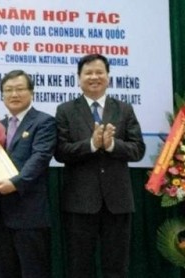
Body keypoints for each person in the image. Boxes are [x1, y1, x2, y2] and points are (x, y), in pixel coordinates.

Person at [54, 54, 146, 278]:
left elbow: (138, 150)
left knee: (116, 266)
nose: (94, 77)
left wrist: (112, 144)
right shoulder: (65, 110)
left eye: (99, 72)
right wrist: (91, 145)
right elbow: (60, 152)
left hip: (118, 201)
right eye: (88, 73)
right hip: (80, 202)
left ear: (108, 77)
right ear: (78, 78)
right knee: (80, 266)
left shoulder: (124, 109)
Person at [0, 70, 57, 278]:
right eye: (8, 90)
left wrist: (16, 183)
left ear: (31, 92)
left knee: (33, 272)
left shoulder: (44, 122)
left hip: (29, 215)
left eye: (19, 89)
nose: (14, 94)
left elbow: (40, 158)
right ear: (2, 95)